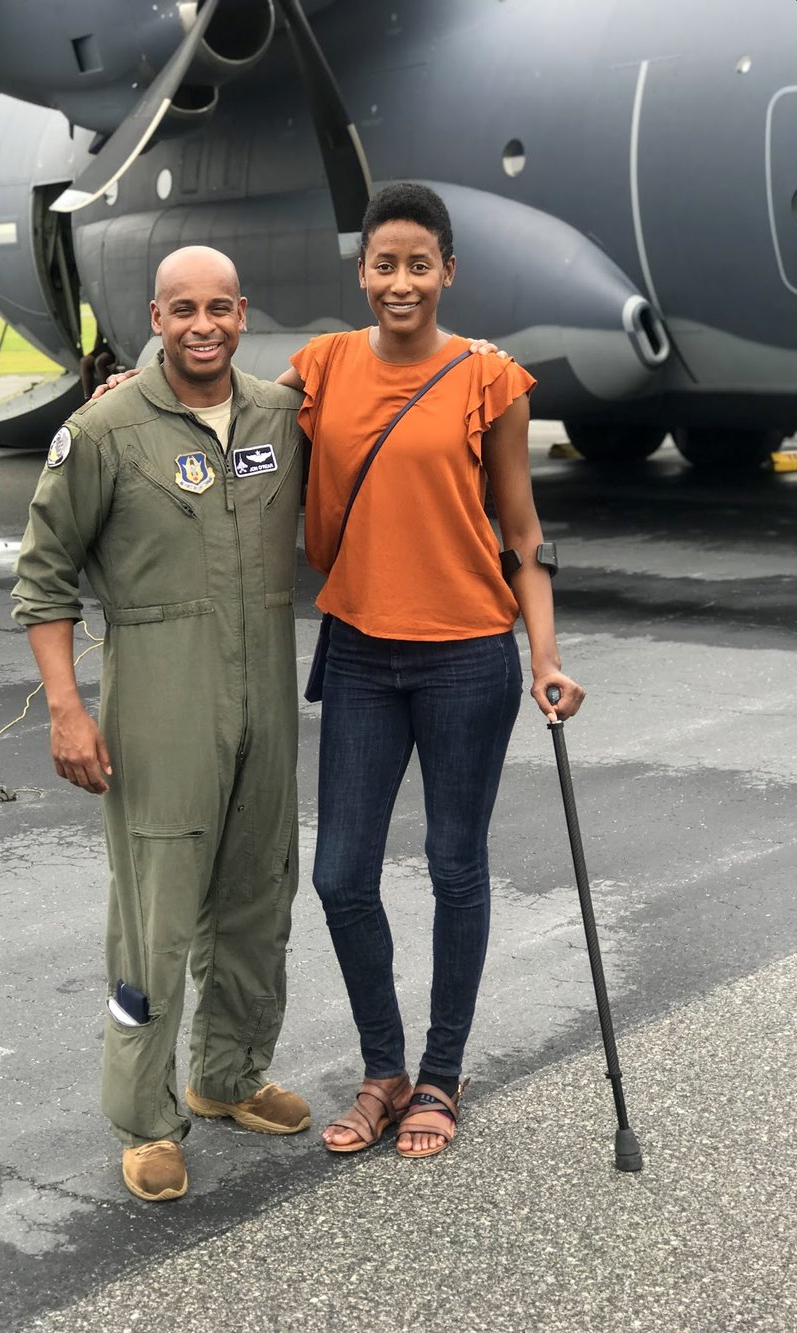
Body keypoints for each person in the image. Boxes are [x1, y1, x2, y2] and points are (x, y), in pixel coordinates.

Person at [274, 182, 585, 1160]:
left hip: (465, 658)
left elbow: (523, 533)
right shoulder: (317, 370)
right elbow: (231, 448)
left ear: (447, 272)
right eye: (383, 263)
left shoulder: (489, 378)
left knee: (456, 865)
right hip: (361, 655)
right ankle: (383, 1069)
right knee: (340, 874)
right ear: (359, 271)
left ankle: (440, 1077)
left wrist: (546, 656)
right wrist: (139, 390)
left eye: (418, 263)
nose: (399, 281)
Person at [11, 246, 312, 1204]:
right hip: (160, 691)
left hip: (267, 679)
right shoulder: (103, 430)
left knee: (260, 891)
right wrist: (67, 709)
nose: (203, 325)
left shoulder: (279, 414)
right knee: (157, 913)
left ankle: (227, 1075)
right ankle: (145, 1120)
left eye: (220, 307)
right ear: (155, 314)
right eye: (183, 308)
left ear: (243, 311)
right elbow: (43, 576)